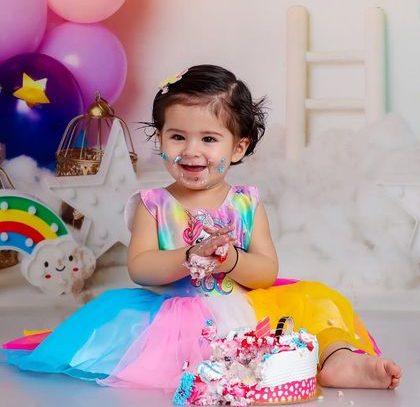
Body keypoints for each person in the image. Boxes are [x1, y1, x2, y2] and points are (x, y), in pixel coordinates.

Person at [2, 64, 401, 394]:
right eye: (178, 136)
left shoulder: (245, 202)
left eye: (209, 139)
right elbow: (141, 268)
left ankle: (339, 361)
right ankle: (236, 374)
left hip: (250, 308)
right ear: (160, 140)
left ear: (238, 148)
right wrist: (189, 257)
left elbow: (266, 272)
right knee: (201, 354)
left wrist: (231, 260)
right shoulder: (152, 204)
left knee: (315, 308)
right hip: (178, 315)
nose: (191, 150)